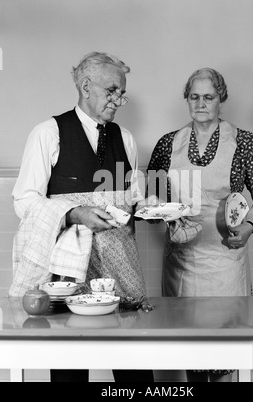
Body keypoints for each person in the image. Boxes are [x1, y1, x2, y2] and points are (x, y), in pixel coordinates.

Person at [10, 51, 154, 383]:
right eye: (112, 90)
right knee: (69, 375)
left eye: (122, 93)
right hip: (68, 276)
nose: (118, 99)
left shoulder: (126, 139)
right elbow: (24, 201)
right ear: (86, 86)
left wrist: (153, 209)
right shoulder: (48, 133)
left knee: (137, 377)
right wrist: (75, 213)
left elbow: (134, 199)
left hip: (121, 275)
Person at [146, 67, 253, 382]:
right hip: (181, 260)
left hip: (224, 259)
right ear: (186, 100)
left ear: (222, 100)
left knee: (222, 348)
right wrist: (168, 216)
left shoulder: (244, 143)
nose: (200, 103)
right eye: (194, 97)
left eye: (208, 97)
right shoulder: (167, 144)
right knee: (187, 346)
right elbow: (150, 196)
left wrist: (248, 227)